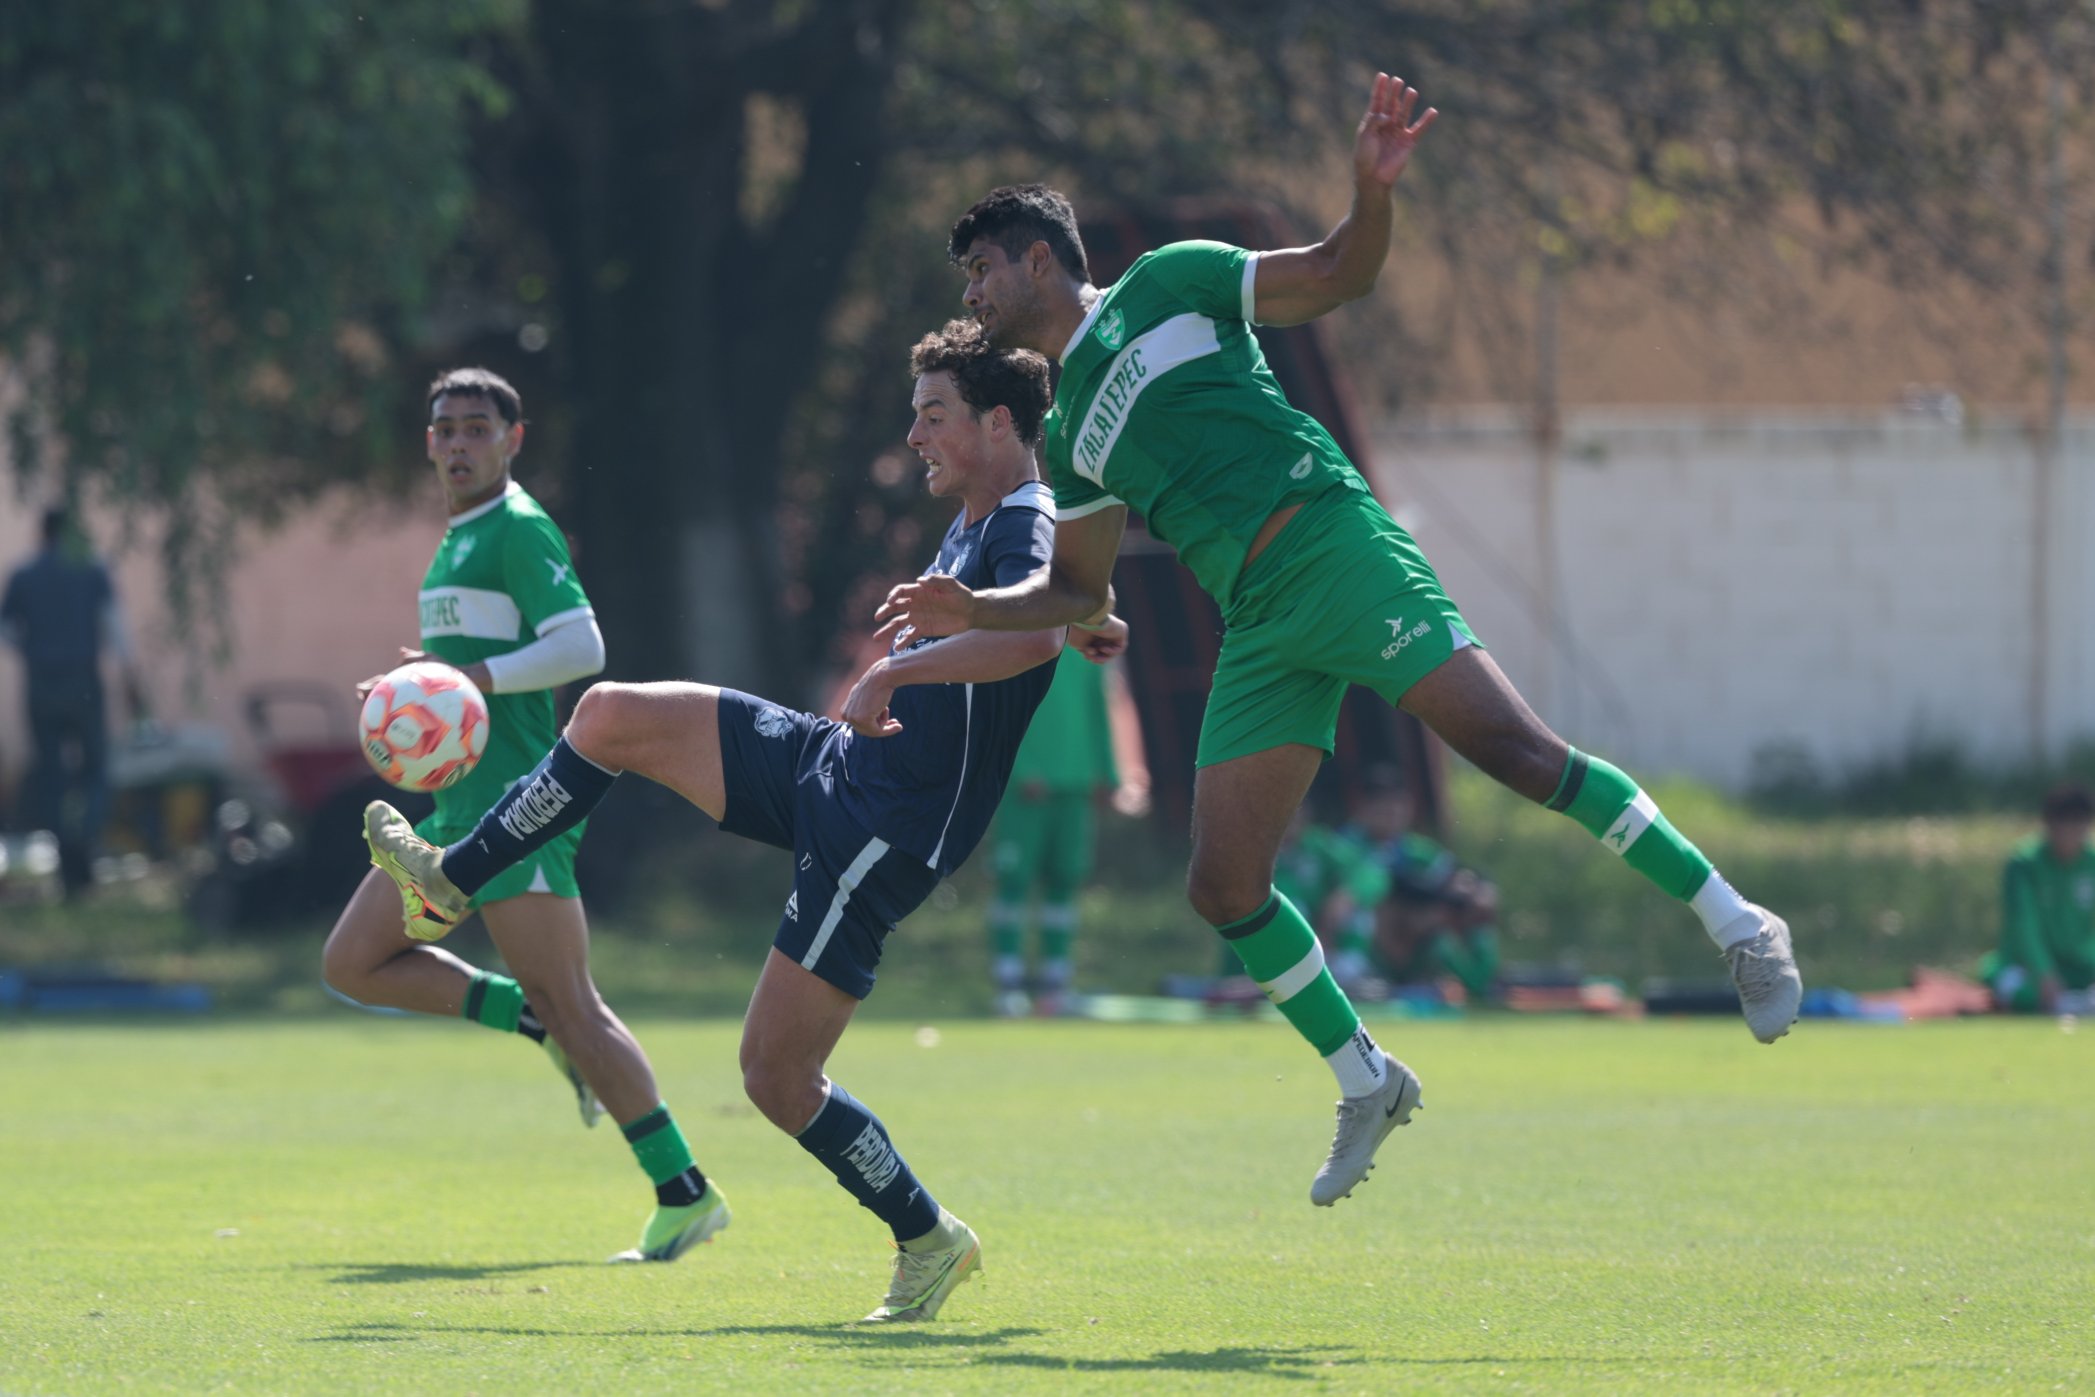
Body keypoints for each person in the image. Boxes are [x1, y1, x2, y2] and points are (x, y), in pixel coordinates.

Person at [880, 72, 1801, 1208]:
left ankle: (1737, 921)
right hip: (1260, 622)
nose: (970, 293)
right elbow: (1075, 587)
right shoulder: (1066, 431)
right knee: (1222, 885)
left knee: (1515, 753)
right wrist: (975, 608)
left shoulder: (1169, 281)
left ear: (1034, 258)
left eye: (979, 268)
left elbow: (1336, 273)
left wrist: (1370, 193)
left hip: (1330, 544)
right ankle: (1366, 1076)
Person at [362, 322, 1107, 1323]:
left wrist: (902, 662)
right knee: (610, 713)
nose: (914, 432)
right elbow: (1053, 605)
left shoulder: (1020, 516)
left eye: (933, 414)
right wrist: (1082, 612)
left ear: (1000, 422)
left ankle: (926, 1235)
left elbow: (1027, 640)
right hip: (837, 763)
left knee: (773, 1072)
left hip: (886, 826)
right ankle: (452, 874)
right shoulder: (987, 519)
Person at [320, 368, 728, 1265]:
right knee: (352, 962)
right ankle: (528, 1024)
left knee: (577, 1004)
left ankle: (683, 1190)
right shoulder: (455, 542)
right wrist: (418, 684)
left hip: (518, 809)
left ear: (513, 438)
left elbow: (584, 648)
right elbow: (474, 666)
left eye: (476, 427)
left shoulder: (517, 528)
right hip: (450, 808)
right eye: (444, 430)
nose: (459, 443)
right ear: (428, 444)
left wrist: (473, 679)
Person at [987, 643, 1149, 1017]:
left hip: (1076, 783)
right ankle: (1007, 984)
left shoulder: (1090, 646)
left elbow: (1100, 708)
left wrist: (1107, 775)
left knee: (1066, 881)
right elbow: (1004, 709)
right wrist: (1021, 765)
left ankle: (1054, 983)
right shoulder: (1024, 637)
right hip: (1028, 787)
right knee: (1014, 880)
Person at [1, 506, 147, 896]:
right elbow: (116, 627)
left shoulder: (24, 574)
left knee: (51, 772)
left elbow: (5, 628)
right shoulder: (92, 570)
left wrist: (33, 649)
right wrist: (131, 679)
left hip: (41, 685)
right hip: (83, 682)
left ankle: (65, 856)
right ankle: (85, 841)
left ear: (42, 533)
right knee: (96, 768)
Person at [1343, 770, 1500, 1004]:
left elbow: (1459, 877)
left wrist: (1481, 892)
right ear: (1364, 807)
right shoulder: (1342, 848)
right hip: (1363, 945)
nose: (1392, 813)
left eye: (1398, 805)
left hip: (1410, 946)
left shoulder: (1418, 851)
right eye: (1383, 805)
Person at [1984, 783, 2095, 1014]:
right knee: (2015, 992)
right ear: (2048, 825)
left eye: (2079, 825)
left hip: (2078, 966)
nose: (2071, 834)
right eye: (2064, 824)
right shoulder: (2024, 864)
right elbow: (2024, 925)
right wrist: (2043, 973)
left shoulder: (2091, 863)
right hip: (2024, 967)